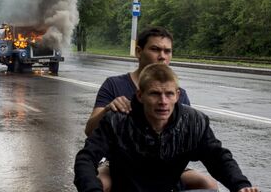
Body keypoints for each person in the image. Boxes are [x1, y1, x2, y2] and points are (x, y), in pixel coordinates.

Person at [74, 63, 260, 192]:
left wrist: (240, 185)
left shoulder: (194, 122)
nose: (163, 102)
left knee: (209, 186)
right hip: (126, 187)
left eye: (169, 94)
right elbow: (86, 158)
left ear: (177, 95)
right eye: (155, 94)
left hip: (169, 186)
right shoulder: (117, 121)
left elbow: (218, 157)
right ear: (140, 95)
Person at [84, 26, 217, 191]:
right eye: (155, 49)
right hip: (120, 162)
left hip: (165, 164)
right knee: (100, 184)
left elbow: (185, 135)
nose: (162, 56)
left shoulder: (178, 94)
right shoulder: (114, 84)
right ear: (139, 51)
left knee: (208, 184)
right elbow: (90, 131)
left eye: (167, 51)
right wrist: (108, 110)